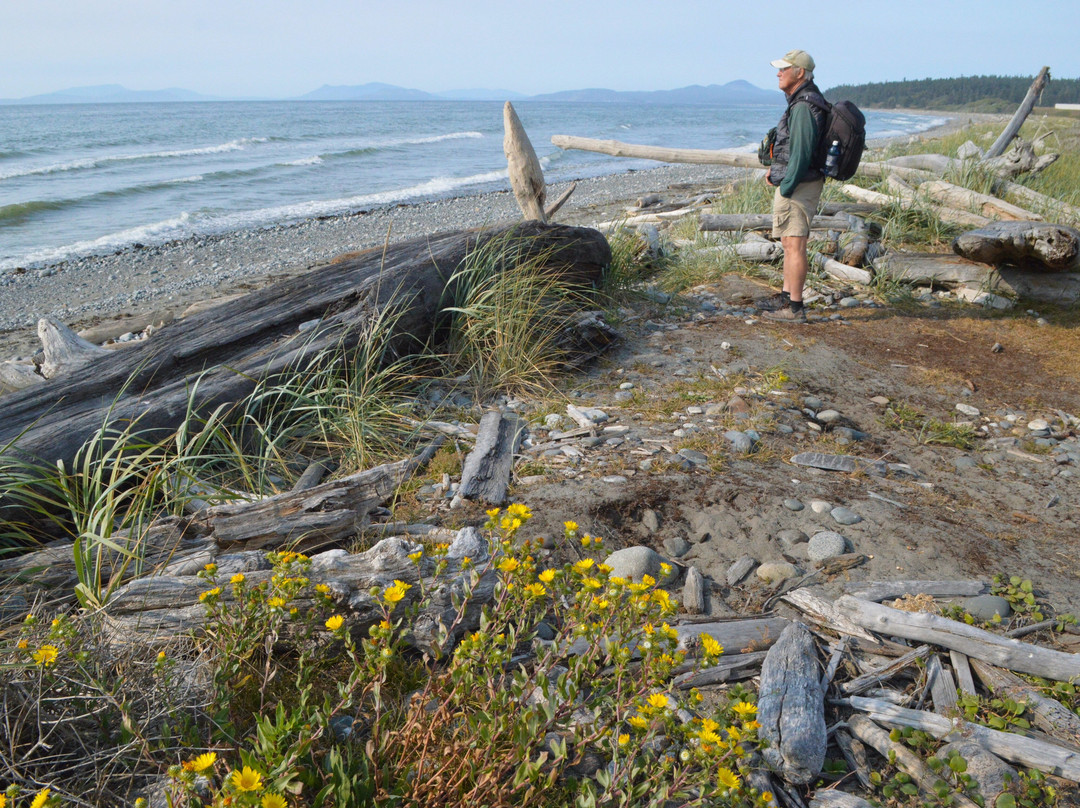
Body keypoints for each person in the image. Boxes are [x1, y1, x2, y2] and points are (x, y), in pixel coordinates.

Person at [759, 49, 828, 323]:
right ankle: (786, 297)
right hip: (799, 181)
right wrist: (775, 171)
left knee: (795, 244)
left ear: (800, 72)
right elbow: (794, 151)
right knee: (789, 242)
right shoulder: (803, 101)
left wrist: (786, 185)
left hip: (799, 185)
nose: (778, 73)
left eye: (784, 69)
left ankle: (795, 308)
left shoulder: (803, 106)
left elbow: (800, 154)